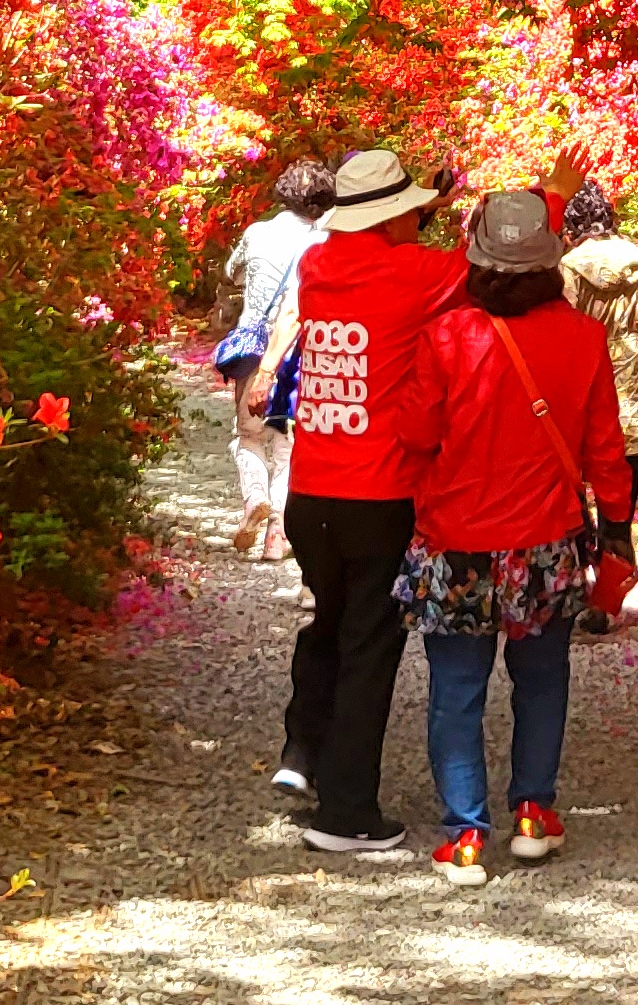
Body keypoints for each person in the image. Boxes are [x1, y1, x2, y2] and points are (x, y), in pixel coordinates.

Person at [275, 140, 586, 851]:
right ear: (393, 222)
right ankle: (347, 813)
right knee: (369, 645)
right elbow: (499, 265)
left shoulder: (319, 265)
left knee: (329, 621)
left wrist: (429, 200)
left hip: (310, 488)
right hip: (375, 491)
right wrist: (552, 198)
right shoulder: (418, 275)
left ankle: (302, 755)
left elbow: (384, 243)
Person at [381, 188, 635, 885]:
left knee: (456, 691)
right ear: (552, 261)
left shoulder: (447, 336)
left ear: (476, 257)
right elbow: (604, 449)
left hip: (455, 540)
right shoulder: (583, 339)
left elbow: (416, 434)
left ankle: (465, 836)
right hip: (546, 541)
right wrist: (617, 523)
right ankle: (533, 814)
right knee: (543, 680)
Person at [558, 182, 638, 633]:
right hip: (637, 385)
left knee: (573, 500)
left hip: (588, 387)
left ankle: (573, 592)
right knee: (620, 504)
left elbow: (564, 329)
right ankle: (606, 605)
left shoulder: (567, 268)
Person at [216, 160, 327, 561]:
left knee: (248, 435)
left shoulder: (256, 233)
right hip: (301, 349)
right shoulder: (325, 240)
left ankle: (253, 502)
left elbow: (232, 272)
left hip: (254, 346)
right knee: (286, 445)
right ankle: (277, 537)